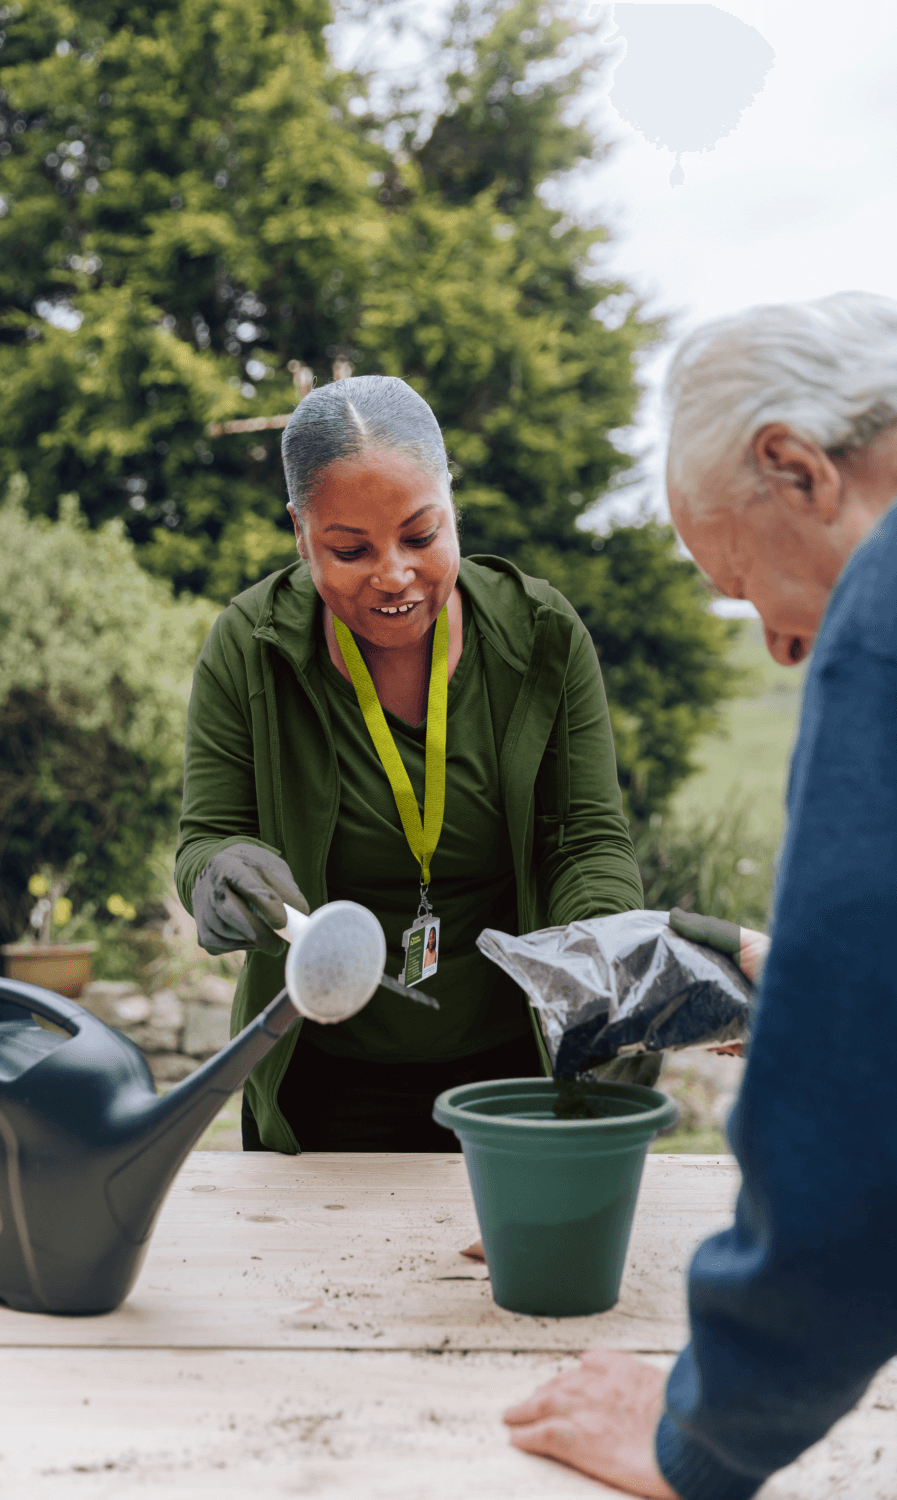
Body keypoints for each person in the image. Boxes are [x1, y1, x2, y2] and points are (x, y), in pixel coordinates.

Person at [503, 289, 897, 1498]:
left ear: (797, 469)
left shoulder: (878, 613)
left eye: (744, 592)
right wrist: (810, 972)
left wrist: (701, 1426)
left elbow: (854, 1121)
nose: (781, 648)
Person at [176, 375, 645, 1153]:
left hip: (516, 1074)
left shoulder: (541, 637)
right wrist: (223, 873)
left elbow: (585, 840)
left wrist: (602, 959)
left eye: (421, 537)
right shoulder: (247, 647)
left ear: (450, 503)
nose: (392, 575)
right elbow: (206, 840)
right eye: (349, 549)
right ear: (300, 532)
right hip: (320, 1077)